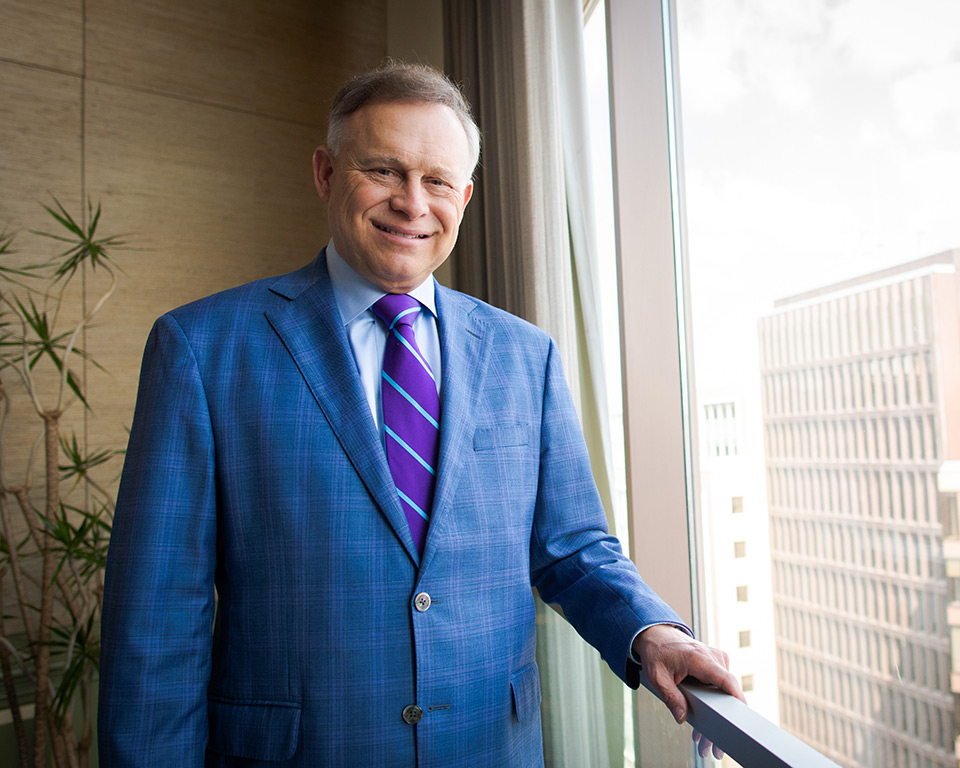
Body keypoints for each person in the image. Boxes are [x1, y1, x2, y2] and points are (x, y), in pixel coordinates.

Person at [98, 61, 742, 767]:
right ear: (325, 173)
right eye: (384, 170)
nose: (413, 203)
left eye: (437, 180)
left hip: (489, 749)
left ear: (463, 196)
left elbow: (574, 547)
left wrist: (655, 632)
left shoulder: (527, 355)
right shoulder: (202, 348)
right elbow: (157, 619)